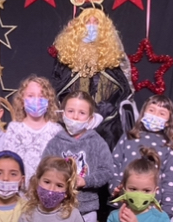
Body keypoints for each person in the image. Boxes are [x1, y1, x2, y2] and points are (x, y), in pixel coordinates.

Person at [50, 8, 135, 148]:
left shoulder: (115, 57)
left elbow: (123, 90)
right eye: (87, 22)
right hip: (73, 122)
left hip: (108, 125)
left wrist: (101, 112)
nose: (91, 26)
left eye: (96, 22)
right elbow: (59, 88)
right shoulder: (65, 57)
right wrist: (75, 111)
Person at [41, 90, 114, 222]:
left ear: (90, 118)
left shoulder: (97, 142)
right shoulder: (56, 142)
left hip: (87, 209)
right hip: (58, 207)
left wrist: (86, 181)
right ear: (63, 113)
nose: (75, 116)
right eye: (70, 111)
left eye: (81, 113)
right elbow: (44, 168)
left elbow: (107, 171)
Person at [110, 95, 173, 215]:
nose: (155, 115)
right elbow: (113, 164)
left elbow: (169, 180)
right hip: (123, 203)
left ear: (168, 122)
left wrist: (167, 211)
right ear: (143, 113)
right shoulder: (128, 137)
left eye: (162, 113)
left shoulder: (169, 146)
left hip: (151, 207)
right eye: (151, 110)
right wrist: (114, 186)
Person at [4, 74, 61, 186]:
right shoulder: (14, 129)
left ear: (48, 101)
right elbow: (8, 161)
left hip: (47, 189)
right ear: (22, 100)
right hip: (19, 190)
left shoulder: (56, 131)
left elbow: (59, 165)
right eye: (30, 96)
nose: (36, 100)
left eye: (41, 96)